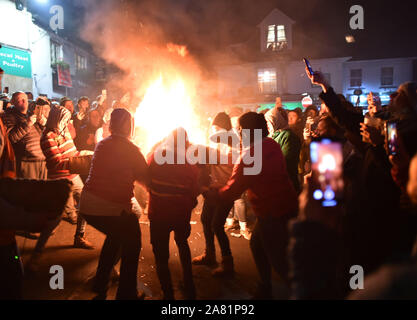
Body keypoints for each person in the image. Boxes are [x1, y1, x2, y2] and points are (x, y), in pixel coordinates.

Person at [215, 112, 298, 299]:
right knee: (257, 245)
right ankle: (265, 287)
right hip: (285, 205)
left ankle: (300, 294)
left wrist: (212, 191)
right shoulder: (272, 145)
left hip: (272, 212)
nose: (239, 133)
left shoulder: (249, 156)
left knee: (279, 260)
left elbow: (232, 190)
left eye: (241, 130)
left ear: (250, 132)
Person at [79, 108, 149, 300]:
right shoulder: (131, 149)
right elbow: (147, 179)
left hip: (87, 206)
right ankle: (127, 294)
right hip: (109, 207)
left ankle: (100, 284)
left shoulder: (103, 144)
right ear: (129, 126)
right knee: (132, 237)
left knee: (116, 236)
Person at [26, 105, 94, 272]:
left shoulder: (65, 133)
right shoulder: (47, 137)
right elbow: (57, 163)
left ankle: (79, 236)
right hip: (59, 181)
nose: (67, 122)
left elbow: (74, 153)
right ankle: (36, 255)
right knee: (54, 220)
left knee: (86, 202)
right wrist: (83, 162)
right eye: (64, 119)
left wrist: (90, 154)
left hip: (74, 176)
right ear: (57, 119)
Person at [147, 128, 199, 299]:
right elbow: (195, 188)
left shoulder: (156, 156)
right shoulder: (188, 161)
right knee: (182, 243)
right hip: (180, 213)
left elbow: (146, 174)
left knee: (161, 256)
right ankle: (189, 283)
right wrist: (190, 202)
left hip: (159, 213)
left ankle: (168, 294)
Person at [192, 112, 236, 277]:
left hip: (225, 190)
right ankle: (209, 254)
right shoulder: (217, 145)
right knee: (205, 219)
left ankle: (228, 262)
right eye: (213, 129)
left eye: (216, 128)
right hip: (213, 190)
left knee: (217, 225)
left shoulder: (231, 147)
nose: (213, 132)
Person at [1, 92, 47, 180]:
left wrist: (43, 125)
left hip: (41, 159)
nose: (24, 102)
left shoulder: (30, 115)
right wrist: (27, 124)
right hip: (27, 162)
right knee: (29, 191)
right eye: (20, 100)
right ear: (13, 103)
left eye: (25, 99)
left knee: (42, 191)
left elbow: (41, 135)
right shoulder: (9, 116)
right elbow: (11, 138)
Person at [265, 107, 302, 193]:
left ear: (277, 120)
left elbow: (286, 162)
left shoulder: (289, 136)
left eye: (269, 121)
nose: (267, 125)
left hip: (287, 185)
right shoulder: (271, 136)